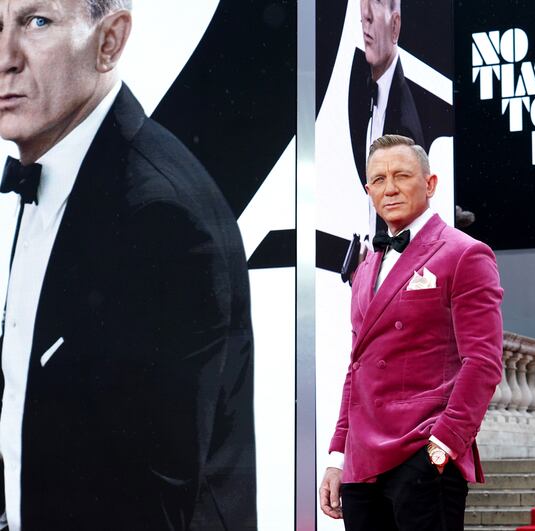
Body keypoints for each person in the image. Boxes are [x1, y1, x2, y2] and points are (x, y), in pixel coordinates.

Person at [0, 1, 256, 529]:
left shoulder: (162, 217)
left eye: (37, 22)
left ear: (110, 41)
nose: (5, 57)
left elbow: (151, 501)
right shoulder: (52, 166)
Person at [319, 134, 503, 530]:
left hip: (423, 456)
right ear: (368, 191)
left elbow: (484, 363)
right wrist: (338, 456)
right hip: (362, 463)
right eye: (379, 180)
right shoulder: (365, 267)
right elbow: (357, 369)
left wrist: (443, 448)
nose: (390, 188)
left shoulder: (465, 253)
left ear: (430, 184)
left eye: (402, 175)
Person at [349, 0, 424, 202]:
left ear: (395, 26)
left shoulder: (404, 122)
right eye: (363, 18)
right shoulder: (362, 94)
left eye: (376, 2)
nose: (365, 18)